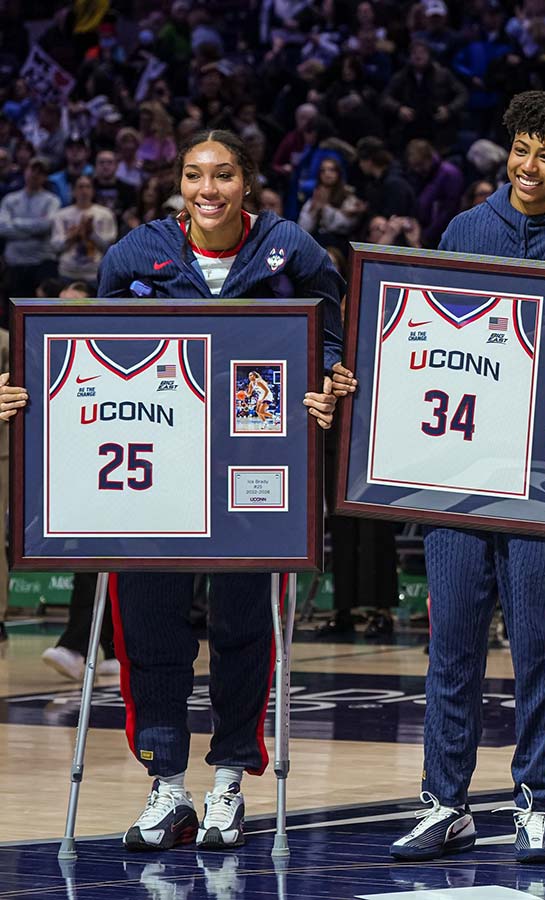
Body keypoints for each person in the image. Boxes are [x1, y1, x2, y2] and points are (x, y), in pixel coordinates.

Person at [0, 129, 348, 853]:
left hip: (253, 476)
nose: (208, 189)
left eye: (223, 175)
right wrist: (30, 393)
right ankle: (167, 784)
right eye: (195, 175)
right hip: (157, 474)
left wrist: (327, 385)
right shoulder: (134, 254)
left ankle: (228, 780)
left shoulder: (292, 249)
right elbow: (92, 356)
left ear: (248, 182)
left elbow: (331, 339)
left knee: (242, 629)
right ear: (179, 184)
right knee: (151, 629)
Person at [380, 91, 545, 865]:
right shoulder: (465, 229)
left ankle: (534, 804)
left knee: (533, 649)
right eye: (521, 149)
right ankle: (444, 802)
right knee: (448, 643)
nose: (529, 166)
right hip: (458, 475)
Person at [0, 159, 62, 298]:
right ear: (25, 171)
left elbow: (46, 226)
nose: (35, 174)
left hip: (42, 263)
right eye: (33, 169)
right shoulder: (9, 199)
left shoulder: (52, 200)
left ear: (45, 177)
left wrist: (15, 223)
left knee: (44, 312)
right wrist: (34, 227)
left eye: (40, 172)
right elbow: (2, 228)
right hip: (15, 264)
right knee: (13, 314)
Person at [50, 174, 117, 284]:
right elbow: (55, 247)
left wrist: (91, 233)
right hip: (68, 273)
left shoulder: (105, 214)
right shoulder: (61, 215)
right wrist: (74, 235)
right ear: (73, 191)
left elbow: (109, 248)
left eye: (88, 187)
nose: (84, 191)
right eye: (80, 187)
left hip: (95, 274)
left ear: (93, 190)